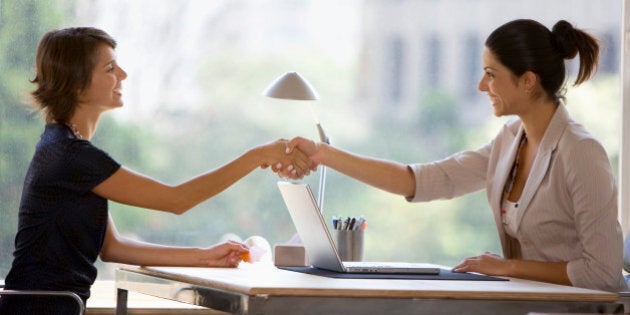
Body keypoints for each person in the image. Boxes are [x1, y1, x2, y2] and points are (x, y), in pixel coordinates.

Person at [287, 19, 627, 292]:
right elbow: (424, 180)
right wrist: (323, 155)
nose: (481, 86)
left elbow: (602, 273)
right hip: (528, 304)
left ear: (527, 81)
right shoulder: (510, 141)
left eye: (491, 74)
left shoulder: (581, 152)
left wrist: (506, 267)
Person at [0, 27, 312, 314]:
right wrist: (258, 155)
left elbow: (112, 247)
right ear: (76, 83)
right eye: (110, 69)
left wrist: (204, 256)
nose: (122, 74)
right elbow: (176, 200)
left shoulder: (63, 146)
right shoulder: (71, 155)